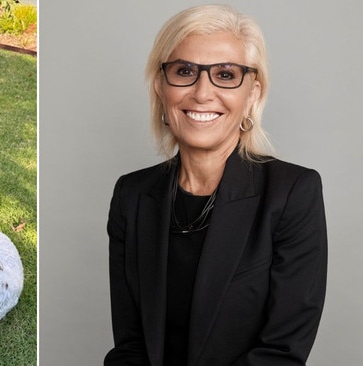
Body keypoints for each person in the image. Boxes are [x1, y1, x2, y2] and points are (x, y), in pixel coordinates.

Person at [105, 5, 327, 366]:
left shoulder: (292, 193)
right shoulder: (132, 196)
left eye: (225, 74)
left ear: (252, 93)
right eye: (184, 71)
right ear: (162, 87)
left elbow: (281, 354)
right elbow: (130, 345)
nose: (202, 92)